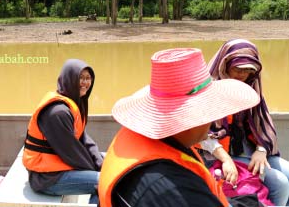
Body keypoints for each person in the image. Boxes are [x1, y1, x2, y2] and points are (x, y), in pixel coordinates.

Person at [98, 48, 261, 207]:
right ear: (193, 115)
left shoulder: (135, 137)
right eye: (211, 107)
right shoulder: (174, 187)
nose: (213, 118)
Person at [200, 39, 289, 206]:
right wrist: (227, 160)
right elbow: (200, 136)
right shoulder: (208, 93)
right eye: (237, 69)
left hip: (250, 149)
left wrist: (261, 150)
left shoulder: (252, 89)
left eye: (248, 70)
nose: (242, 75)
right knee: (280, 183)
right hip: (216, 153)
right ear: (224, 65)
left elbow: (263, 125)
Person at [22, 59, 103, 204]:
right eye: (80, 78)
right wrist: (99, 172)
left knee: (107, 162)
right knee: (106, 181)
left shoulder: (73, 103)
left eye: (88, 78)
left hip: (59, 168)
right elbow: (72, 151)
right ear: (69, 79)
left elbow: (83, 137)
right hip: (47, 178)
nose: (85, 82)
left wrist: (100, 162)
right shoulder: (58, 112)